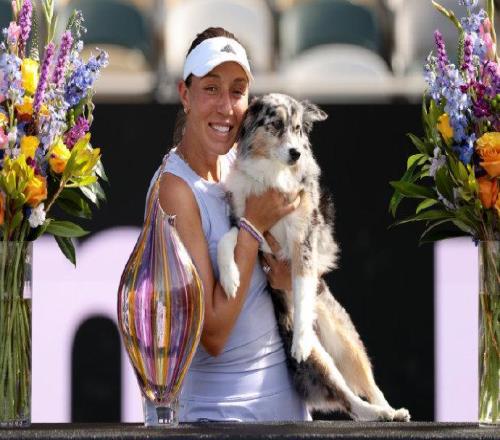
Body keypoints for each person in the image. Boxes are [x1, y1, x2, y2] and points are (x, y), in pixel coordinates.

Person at [149, 27, 309, 422]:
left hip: (289, 414)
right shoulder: (173, 190)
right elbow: (214, 333)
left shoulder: (245, 166)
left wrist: (286, 273)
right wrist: (253, 229)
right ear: (185, 95)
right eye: (211, 89)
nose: (225, 107)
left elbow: (289, 274)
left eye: (237, 91)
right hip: (218, 420)